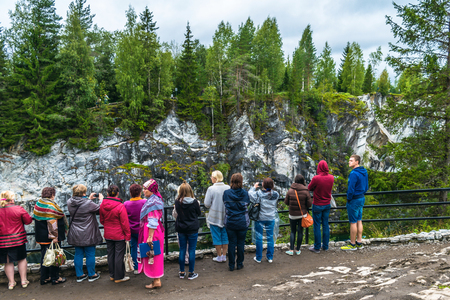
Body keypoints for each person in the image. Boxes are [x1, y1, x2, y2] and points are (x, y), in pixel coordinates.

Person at [67, 184, 103, 283]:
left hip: (75, 232)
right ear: (83, 193)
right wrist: (100, 199)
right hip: (88, 232)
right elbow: (99, 208)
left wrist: (88, 198)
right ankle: (92, 274)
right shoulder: (88, 203)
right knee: (90, 254)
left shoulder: (69, 201)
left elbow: (81, 204)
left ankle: (80, 275)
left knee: (78, 254)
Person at [33, 187, 68, 285]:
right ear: (52, 194)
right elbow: (51, 222)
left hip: (41, 236)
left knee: (45, 257)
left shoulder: (38, 203)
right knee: (54, 257)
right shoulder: (50, 206)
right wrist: (55, 237)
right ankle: (55, 278)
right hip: (50, 237)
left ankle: (45, 278)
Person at [0, 191, 33, 289]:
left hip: (2, 241)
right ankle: (23, 281)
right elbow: (28, 221)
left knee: (8, 262)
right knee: (21, 259)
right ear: (11, 199)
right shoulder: (18, 209)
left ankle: (11, 283)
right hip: (18, 239)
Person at [99, 185, 131, 283]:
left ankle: (112, 275)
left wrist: (108, 226)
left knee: (110, 254)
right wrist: (127, 236)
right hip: (119, 234)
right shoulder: (120, 206)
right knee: (119, 256)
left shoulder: (102, 205)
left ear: (107, 194)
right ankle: (119, 277)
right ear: (117, 194)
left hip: (108, 234)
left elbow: (102, 220)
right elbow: (124, 223)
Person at [138, 179, 165, 289]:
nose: (143, 191)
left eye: (145, 189)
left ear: (151, 190)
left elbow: (153, 220)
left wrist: (149, 236)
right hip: (155, 231)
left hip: (152, 232)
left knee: (153, 254)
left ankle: (156, 280)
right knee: (155, 253)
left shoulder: (153, 202)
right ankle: (156, 279)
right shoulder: (156, 199)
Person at [341, 155, 369, 251]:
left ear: (357, 162)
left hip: (354, 199)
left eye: (351, 160)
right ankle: (359, 242)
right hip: (361, 198)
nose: (349, 162)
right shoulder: (364, 172)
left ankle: (352, 244)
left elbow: (351, 189)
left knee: (353, 222)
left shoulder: (353, 173)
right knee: (359, 220)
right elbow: (366, 186)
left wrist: (349, 199)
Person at [174, 181, 201, 280]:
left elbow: (176, 213)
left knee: (182, 250)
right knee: (192, 250)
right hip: (192, 228)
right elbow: (199, 213)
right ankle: (191, 273)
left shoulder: (177, 202)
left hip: (181, 228)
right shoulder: (195, 202)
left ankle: (181, 272)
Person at [248, 178, 279, 263]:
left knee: (259, 238)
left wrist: (254, 187)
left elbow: (250, 194)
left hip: (260, 218)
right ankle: (270, 257)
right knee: (270, 238)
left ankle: (258, 258)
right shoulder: (276, 194)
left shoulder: (259, 194)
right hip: (271, 218)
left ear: (263, 185)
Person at [223, 173, 250, 271]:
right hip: (242, 221)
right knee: (240, 243)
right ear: (241, 181)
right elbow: (248, 204)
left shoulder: (226, 193)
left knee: (231, 243)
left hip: (230, 221)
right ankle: (239, 264)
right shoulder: (245, 193)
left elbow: (225, 204)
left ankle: (231, 265)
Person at [308, 160, 334, 253]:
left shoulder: (316, 178)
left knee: (317, 225)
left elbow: (309, 188)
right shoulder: (331, 177)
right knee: (325, 225)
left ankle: (317, 247)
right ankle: (326, 246)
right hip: (327, 204)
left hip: (318, 204)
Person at [204, 170, 230, 263]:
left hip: (214, 216)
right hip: (226, 216)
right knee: (225, 237)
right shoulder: (228, 187)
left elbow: (206, 204)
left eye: (212, 176)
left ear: (215, 178)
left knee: (216, 237)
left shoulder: (211, 189)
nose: (211, 178)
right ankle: (224, 255)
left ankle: (219, 256)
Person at [284, 174, 312, 256]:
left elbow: (286, 202)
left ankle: (291, 250)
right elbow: (309, 204)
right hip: (302, 215)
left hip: (292, 214)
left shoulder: (290, 190)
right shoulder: (306, 191)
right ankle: (298, 250)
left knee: (293, 231)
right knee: (300, 231)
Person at [124, 184, 146, 275]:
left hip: (131, 230)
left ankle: (136, 267)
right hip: (142, 229)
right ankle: (144, 267)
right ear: (140, 192)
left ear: (130, 193)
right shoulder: (144, 202)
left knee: (133, 248)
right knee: (143, 247)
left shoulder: (126, 204)